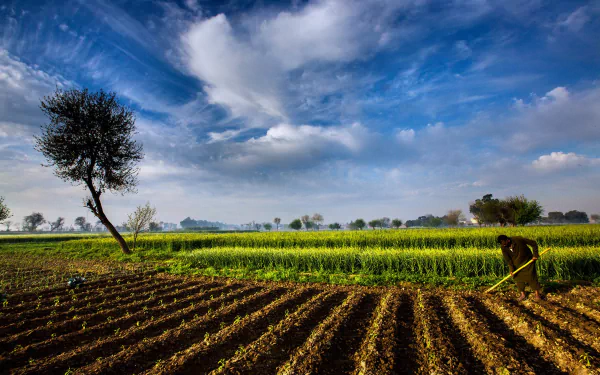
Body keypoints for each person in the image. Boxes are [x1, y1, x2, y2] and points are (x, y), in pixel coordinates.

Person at [497, 235, 542, 301]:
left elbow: (533, 243)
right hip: (516, 264)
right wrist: (511, 269)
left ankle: (537, 294)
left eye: (504, 244)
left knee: (532, 277)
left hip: (528, 261)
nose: (504, 245)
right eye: (502, 244)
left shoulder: (518, 239)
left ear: (508, 240)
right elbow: (508, 259)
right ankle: (522, 295)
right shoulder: (503, 247)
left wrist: (535, 254)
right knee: (518, 278)